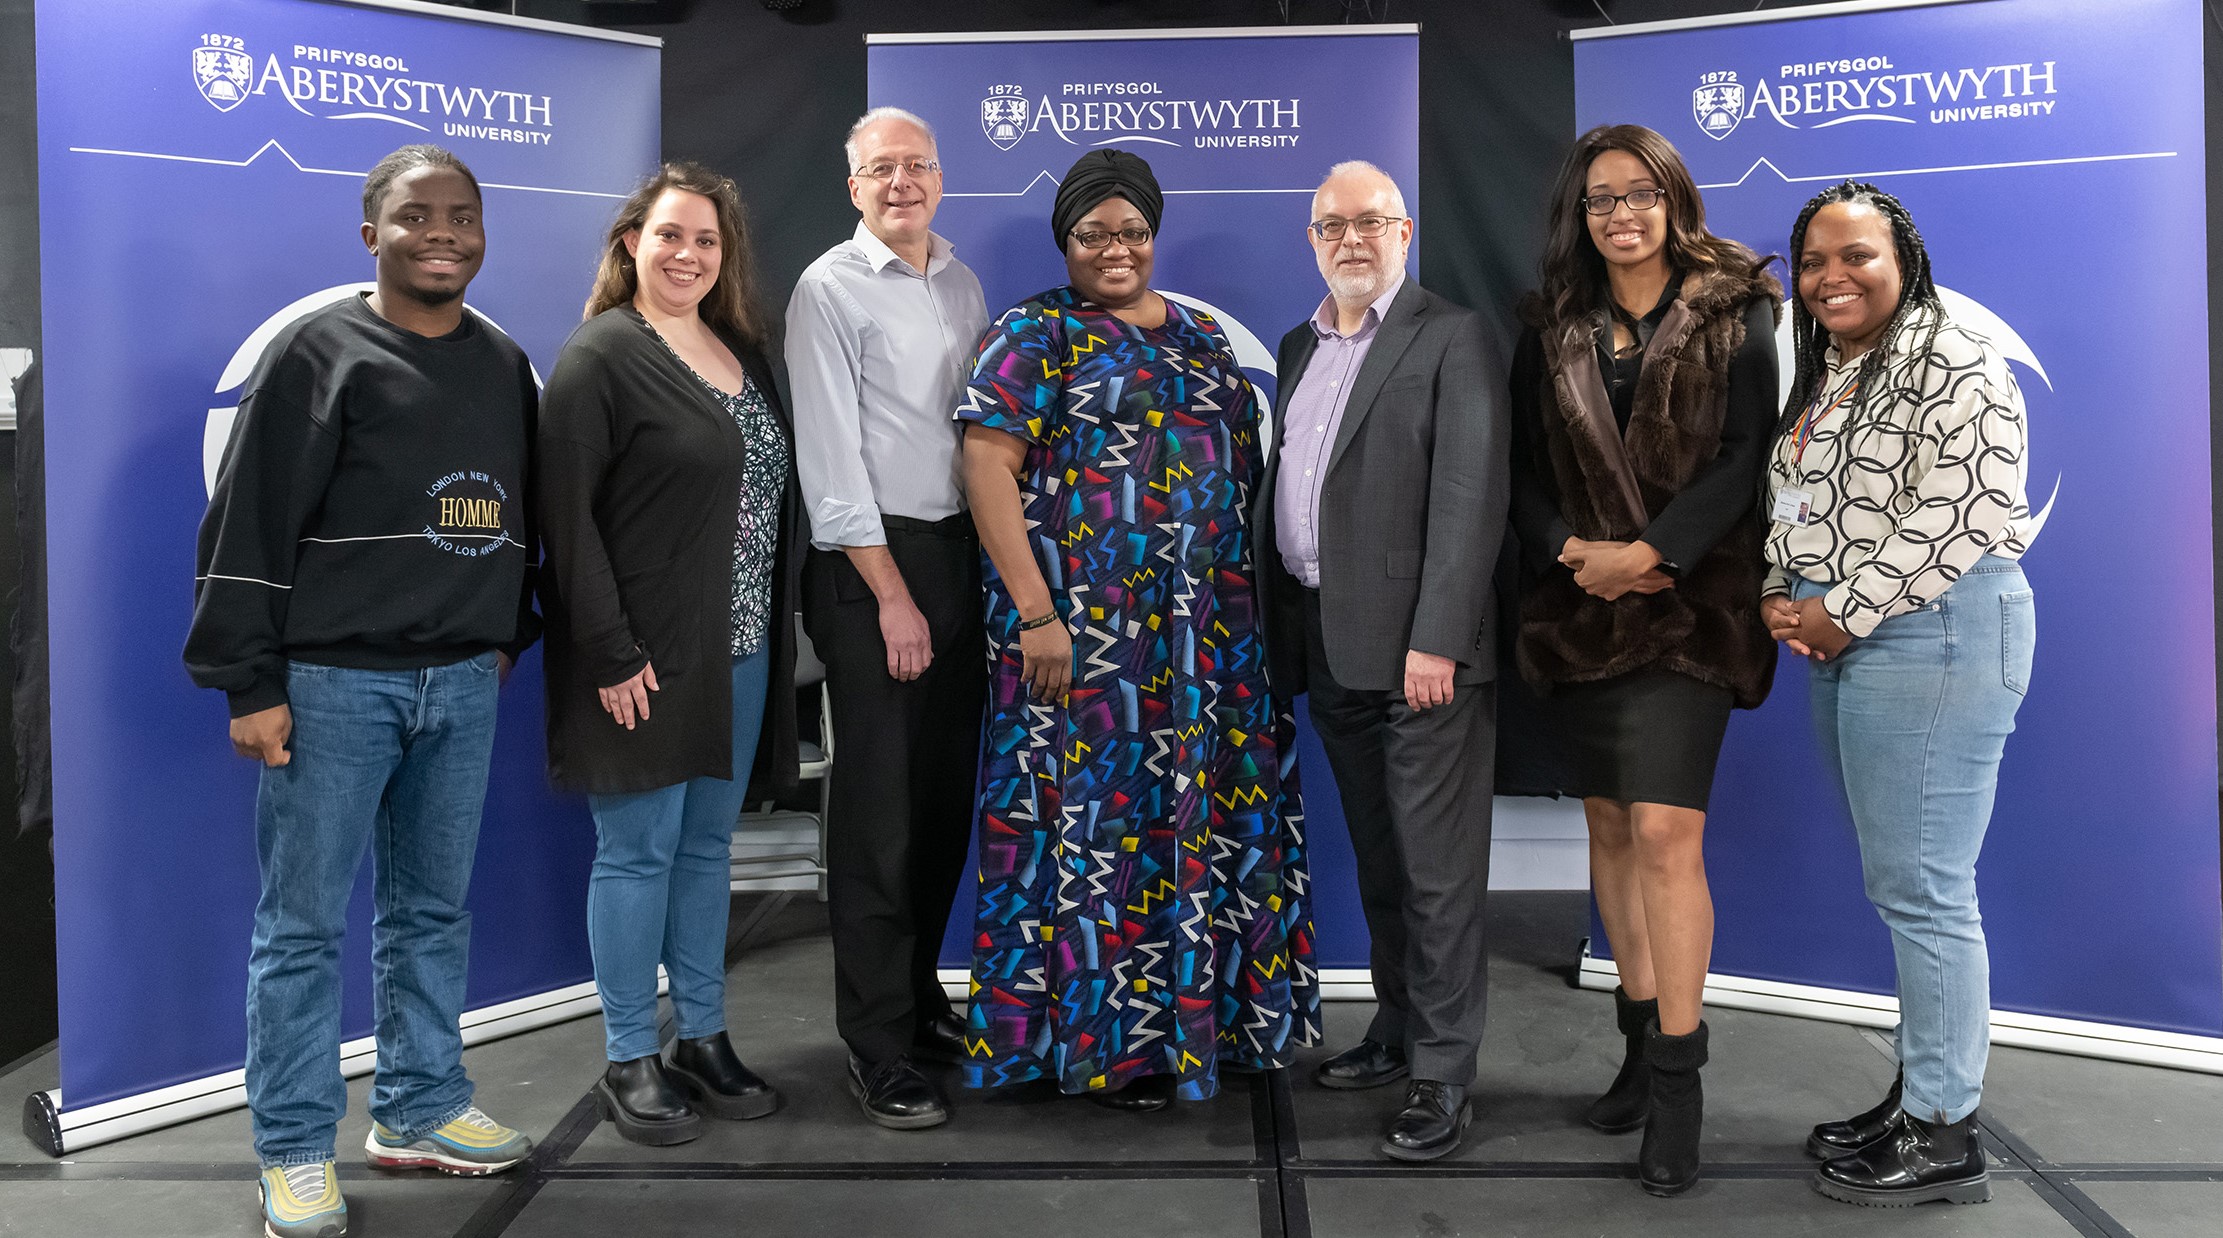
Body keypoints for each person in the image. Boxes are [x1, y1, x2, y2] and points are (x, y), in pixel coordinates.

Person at [184, 144, 537, 1238]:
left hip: (461, 686)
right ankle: (293, 1147)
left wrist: (503, 633)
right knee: (300, 929)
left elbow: (520, 516)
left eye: (463, 216)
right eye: (417, 215)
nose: (444, 233)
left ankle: (420, 1106)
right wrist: (250, 680)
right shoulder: (316, 355)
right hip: (332, 683)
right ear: (369, 232)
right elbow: (246, 525)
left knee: (431, 911)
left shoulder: (503, 361)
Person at [957, 149, 1320, 1111]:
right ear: (1065, 243)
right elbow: (985, 469)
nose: (1114, 249)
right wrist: (1037, 613)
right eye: (1093, 234)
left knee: (1203, 831)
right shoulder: (1033, 332)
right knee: (1095, 836)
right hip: (1081, 643)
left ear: (1154, 237)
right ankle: (1093, 1046)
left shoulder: (1203, 334)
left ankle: (1214, 1031)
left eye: (1131, 231)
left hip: (1210, 647)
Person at [1506, 124, 1780, 1195]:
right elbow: (1525, 473)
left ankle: (1680, 1081)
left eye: (1639, 194)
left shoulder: (1739, 307)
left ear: (1674, 199)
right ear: (1579, 216)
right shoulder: (1553, 325)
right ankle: (1633, 1042)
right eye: (1600, 199)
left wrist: (1654, 551)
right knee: (1610, 827)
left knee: (1667, 830)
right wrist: (1574, 553)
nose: (1621, 214)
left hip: (1692, 605)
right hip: (1583, 609)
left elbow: (1751, 453)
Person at [1765, 180, 2035, 1208]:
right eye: (1814, 260)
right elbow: (1801, 504)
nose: (1832, 275)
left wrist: (1844, 609)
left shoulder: (1954, 354)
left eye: (1856, 255)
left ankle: (1946, 1128)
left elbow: (1960, 511)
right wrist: (1779, 594)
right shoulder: (1836, 367)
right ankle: (1920, 1091)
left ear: (1904, 258)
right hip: (1867, 639)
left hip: (1942, 629)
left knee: (1926, 888)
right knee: (1903, 882)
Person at [538, 162, 800, 1146]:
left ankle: (703, 1033)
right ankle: (627, 1056)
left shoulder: (738, 349)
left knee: (705, 851)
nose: (686, 253)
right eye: (669, 235)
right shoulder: (601, 355)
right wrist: (609, 652)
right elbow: (566, 521)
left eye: (706, 240)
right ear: (629, 244)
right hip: (639, 657)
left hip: (735, 652)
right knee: (637, 852)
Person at [1251, 161, 1505, 1161]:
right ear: (1312, 239)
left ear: (1404, 231)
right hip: (1327, 645)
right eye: (1331, 225)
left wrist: (1437, 636)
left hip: (1420, 657)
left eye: (1370, 222)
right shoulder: (1296, 344)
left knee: (1439, 874)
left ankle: (1444, 1072)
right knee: (1387, 863)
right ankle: (1399, 1028)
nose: (1350, 239)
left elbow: (1469, 496)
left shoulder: (1451, 335)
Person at [784, 107, 990, 1130]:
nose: (900, 182)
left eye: (916, 164)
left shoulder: (961, 280)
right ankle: (873, 1045)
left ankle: (915, 1001)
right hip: (876, 570)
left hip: (960, 558)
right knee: (877, 818)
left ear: (939, 177)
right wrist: (894, 596)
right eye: (881, 169)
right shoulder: (827, 288)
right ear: (853, 183)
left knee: (943, 806)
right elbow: (831, 465)